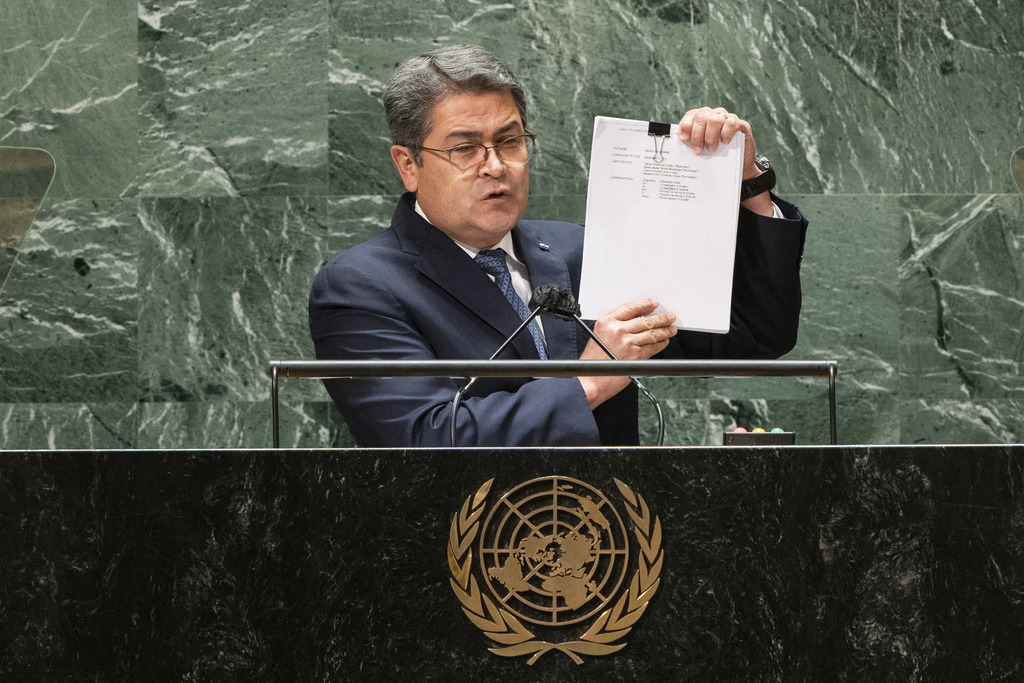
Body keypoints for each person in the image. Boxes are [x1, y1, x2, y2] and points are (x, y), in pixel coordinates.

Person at [309, 44, 807, 447]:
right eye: (465, 148)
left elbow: (756, 334)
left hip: (614, 530)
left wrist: (748, 181)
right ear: (408, 165)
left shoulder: (583, 250)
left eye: (509, 141)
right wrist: (591, 379)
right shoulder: (361, 287)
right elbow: (423, 436)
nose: (495, 166)